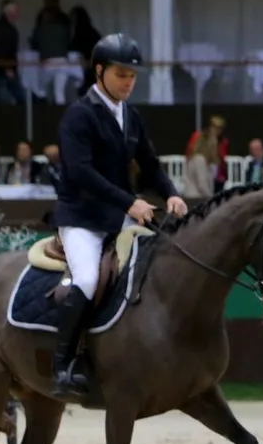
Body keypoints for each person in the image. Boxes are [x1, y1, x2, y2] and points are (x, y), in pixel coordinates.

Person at [53, 32, 187, 398]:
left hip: (118, 217)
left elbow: (149, 165)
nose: (128, 82)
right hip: (82, 218)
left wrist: (171, 194)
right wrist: (129, 203)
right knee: (86, 280)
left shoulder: (130, 115)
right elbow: (80, 172)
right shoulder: (80, 115)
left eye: (132, 76)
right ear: (99, 72)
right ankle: (62, 365)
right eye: (121, 74)